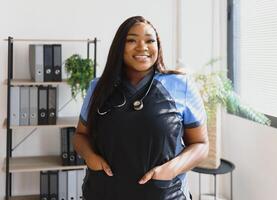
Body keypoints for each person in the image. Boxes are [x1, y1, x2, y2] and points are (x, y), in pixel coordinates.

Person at [73, 16, 209, 200]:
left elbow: (200, 144)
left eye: (150, 40)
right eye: (131, 40)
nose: (142, 47)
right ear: (119, 47)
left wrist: (170, 169)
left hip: (164, 194)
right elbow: (81, 136)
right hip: (102, 192)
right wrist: (90, 157)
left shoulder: (180, 85)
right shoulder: (98, 88)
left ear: (158, 46)